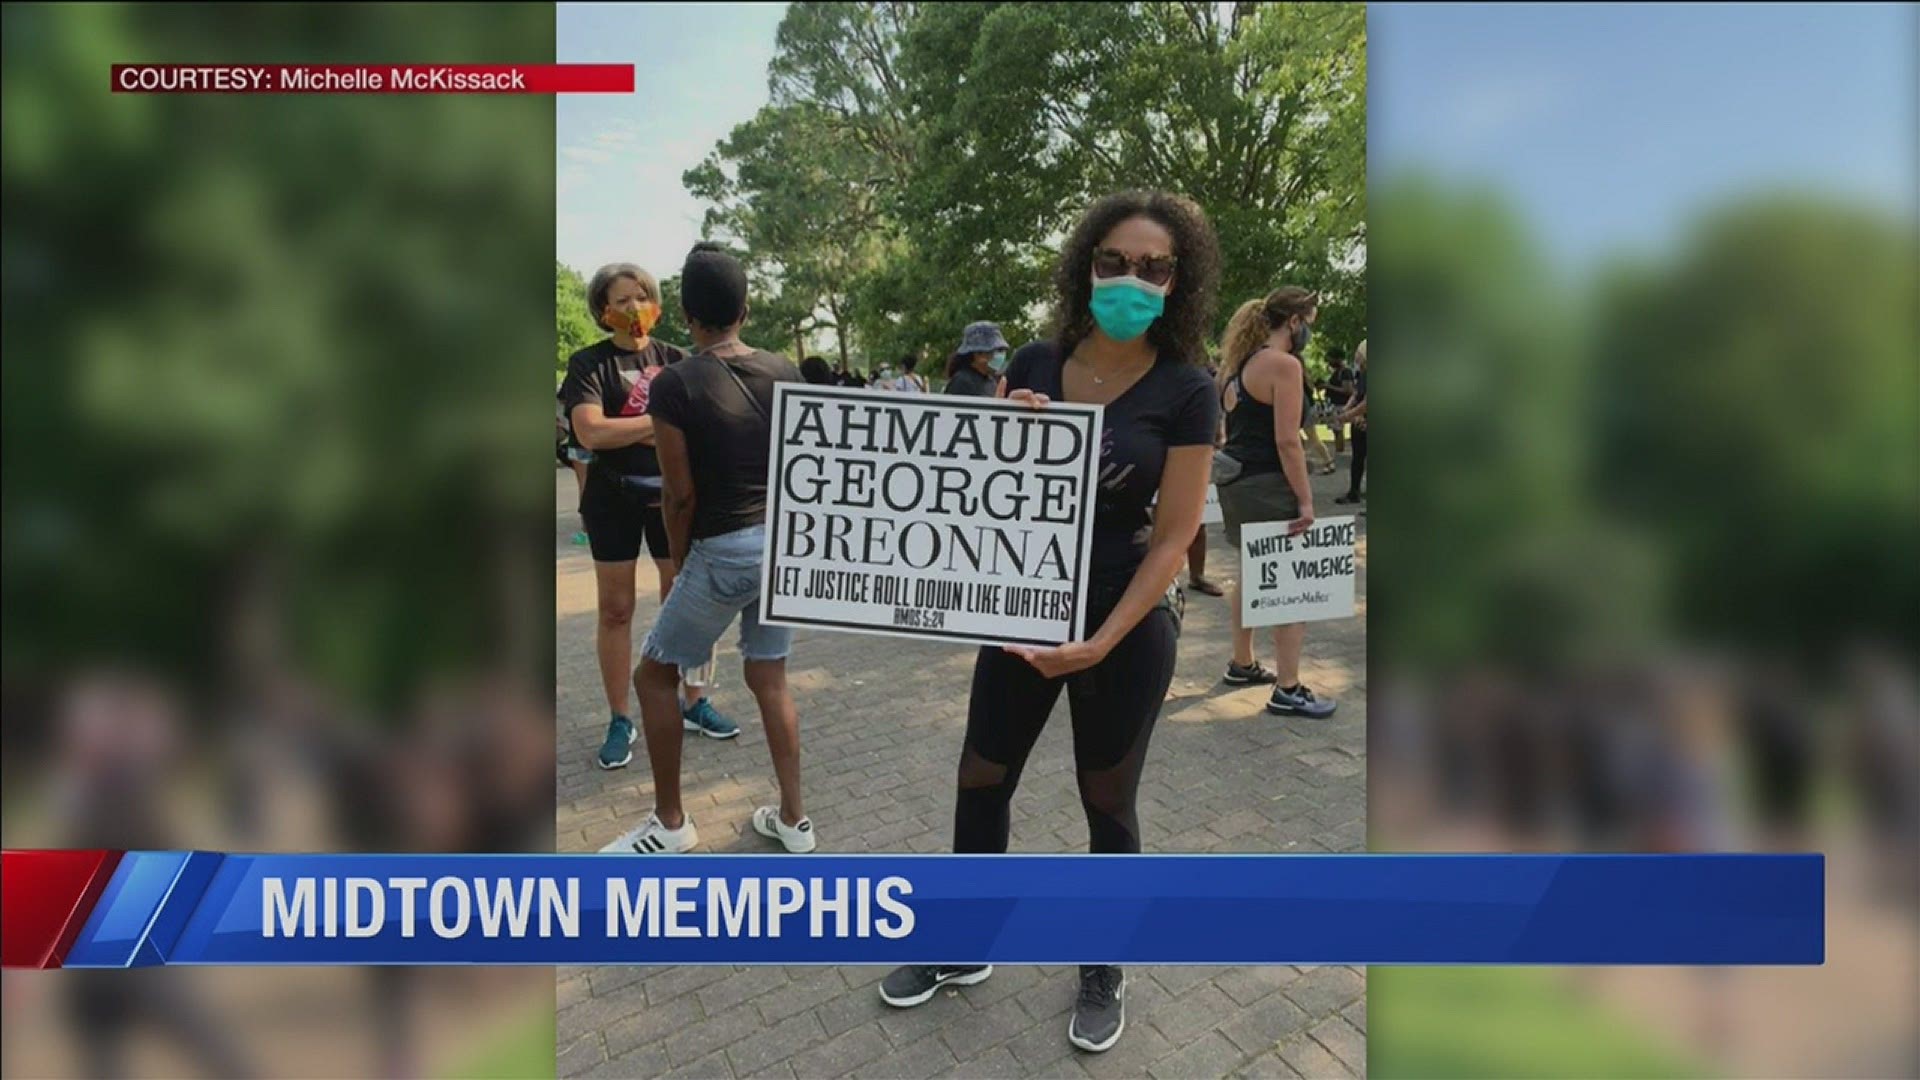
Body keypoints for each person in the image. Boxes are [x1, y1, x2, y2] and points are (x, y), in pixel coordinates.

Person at [881, 191, 1220, 1055]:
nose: (1132, 279)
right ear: (1085, 266)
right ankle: (965, 942)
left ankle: (1103, 960)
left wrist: (1102, 639)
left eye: (1154, 266)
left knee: (1108, 798)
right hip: (1018, 613)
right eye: (1114, 260)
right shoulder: (1032, 360)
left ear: (1178, 282)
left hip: (1123, 623)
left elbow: (1177, 533)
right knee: (980, 774)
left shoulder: (1187, 390)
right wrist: (1007, 434)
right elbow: (984, 492)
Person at [602, 242, 813, 856]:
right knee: (769, 678)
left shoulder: (675, 384)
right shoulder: (784, 372)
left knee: (652, 676)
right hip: (781, 550)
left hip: (722, 549)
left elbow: (679, 496)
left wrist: (683, 561)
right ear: (745, 309)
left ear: (687, 316)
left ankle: (670, 823)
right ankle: (795, 821)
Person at [560, 265, 740, 773]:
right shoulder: (587, 365)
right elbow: (590, 433)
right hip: (611, 499)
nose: (636, 307)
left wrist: (630, 429)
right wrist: (660, 423)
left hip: (675, 499)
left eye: (642, 296)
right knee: (615, 610)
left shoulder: (679, 361)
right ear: (603, 310)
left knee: (688, 601)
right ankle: (620, 718)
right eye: (623, 299)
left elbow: (701, 428)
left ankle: (694, 700)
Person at [1214, 287, 1339, 720]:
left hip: (1236, 483)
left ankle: (1242, 663)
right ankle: (1287, 688)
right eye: (1311, 321)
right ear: (1294, 321)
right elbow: (1288, 441)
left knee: (1250, 572)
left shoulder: (1237, 367)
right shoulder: (1283, 365)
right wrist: (1306, 502)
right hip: (1269, 484)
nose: (1310, 331)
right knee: (1292, 589)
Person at [1335, 338, 1367, 505]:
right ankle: (1354, 492)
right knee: (1357, 458)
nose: (1356, 357)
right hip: (1359, 421)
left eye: (1359, 354)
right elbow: (1356, 394)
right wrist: (1346, 410)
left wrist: (1349, 415)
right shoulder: (1362, 373)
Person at [943, 321, 1010, 396]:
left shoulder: (991, 382)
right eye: (999, 350)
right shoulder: (962, 382)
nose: (1002, 355)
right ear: (979, 354)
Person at [1325, 347, 1354, 454]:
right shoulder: (1337, 372)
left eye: (1331, 359)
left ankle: (1340, 452)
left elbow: (1348, 390)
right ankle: (1338, 450)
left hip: (1341, 405)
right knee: (1336, 429)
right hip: (1334, 404)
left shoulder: (1346, 372)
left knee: (1338, 429)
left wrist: (1329, 386)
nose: (1329, 362)